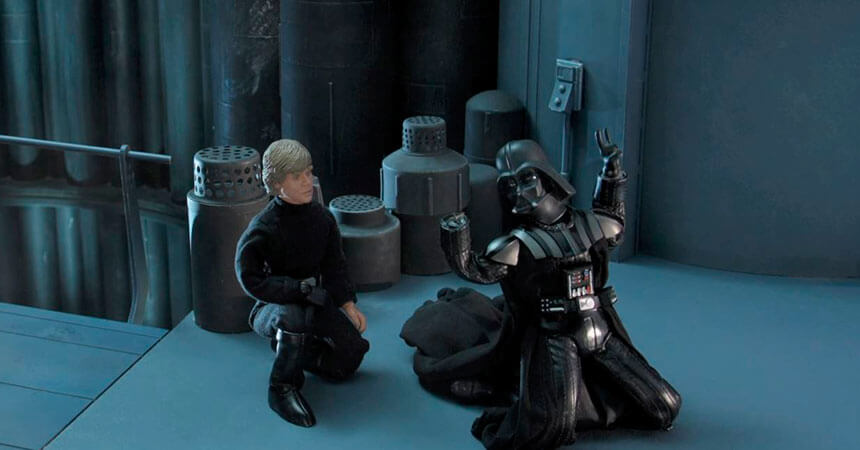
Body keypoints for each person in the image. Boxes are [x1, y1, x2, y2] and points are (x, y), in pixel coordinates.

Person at [437, 131, 681, 449]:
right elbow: (474, 269)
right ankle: (513, 392)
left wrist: (611, 169)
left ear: (546, 176)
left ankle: (520, 390)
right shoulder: (515, 245)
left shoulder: (590, 224)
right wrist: (456, 230)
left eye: (526, 179)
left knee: (664, 407)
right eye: (509, 185)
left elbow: (614, 223)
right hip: (555, 337)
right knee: (551, 429)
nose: (518, 192)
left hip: (600, 332)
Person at [235, 139, 369, 428]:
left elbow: (334, 265)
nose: (307, 181)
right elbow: (249, 277)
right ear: (276, 183)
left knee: (352, 353)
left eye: (308, 172)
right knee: (292, 318)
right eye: (297, 176)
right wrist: (291, 290)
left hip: (315, 300)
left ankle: (297, 352)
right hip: (274, 307)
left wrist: (347, 304)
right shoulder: (264, 227)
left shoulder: (323, 219)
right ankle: (281, 387)